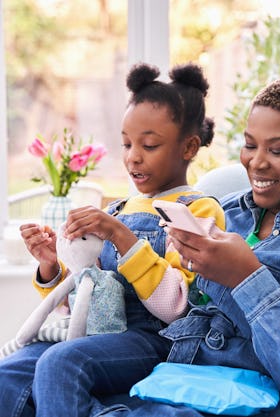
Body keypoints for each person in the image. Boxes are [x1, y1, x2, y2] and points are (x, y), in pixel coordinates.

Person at [100, 75, 280, 416]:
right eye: (250, 145)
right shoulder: (224, 211)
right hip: (165, 379)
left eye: (278, 150)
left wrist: (246, 278)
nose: (256, 162)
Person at [0, 62, 226, 417]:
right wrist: (50, 266)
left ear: (189, 147)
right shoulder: (121, 207)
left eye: (149, 145)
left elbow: (176, 307)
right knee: (8, 375)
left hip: (154, 339)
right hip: (98, 329)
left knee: (61, 364)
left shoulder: (197, 209)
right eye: (126, 143)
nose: (133, 156)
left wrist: (121, 236)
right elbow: (83, 300)